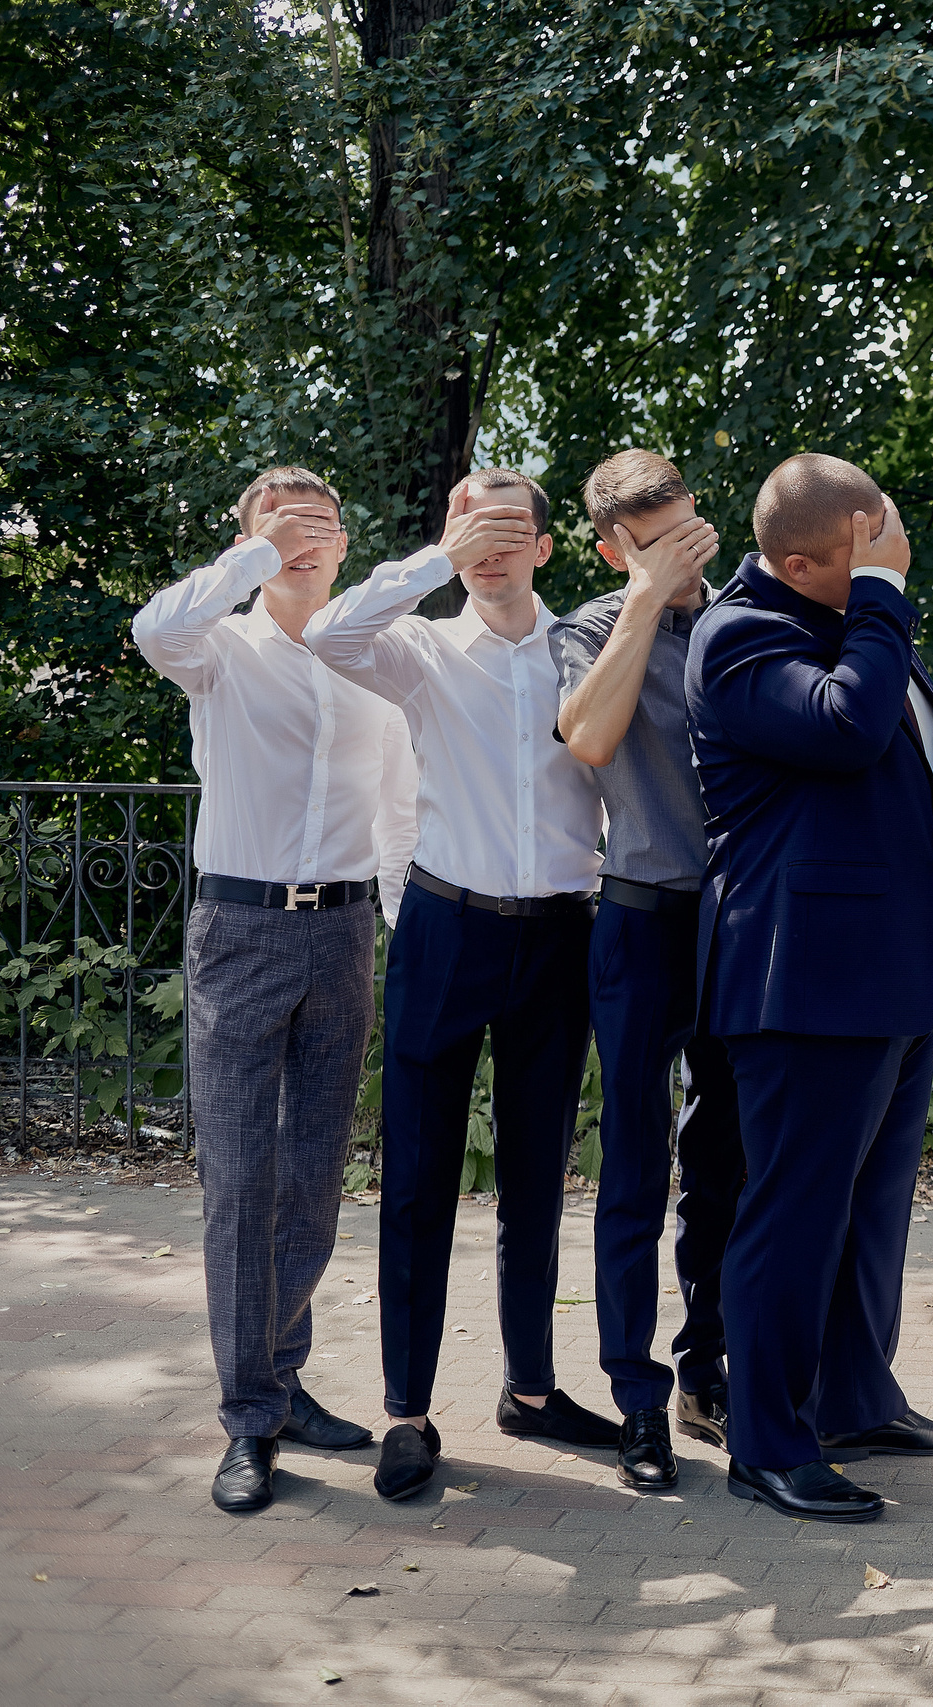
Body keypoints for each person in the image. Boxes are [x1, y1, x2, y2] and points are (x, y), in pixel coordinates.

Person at [308, 469, 617, 1501]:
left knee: (536, 1174)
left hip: (563, 933)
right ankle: (407, 1408)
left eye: (507, 531)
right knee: (420, 1179)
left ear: (543, 546)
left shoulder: (582, 650)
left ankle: (530, 1388)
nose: (489, 548)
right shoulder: (422, 648)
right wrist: (436, 559)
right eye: (468, 531)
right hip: (449, 926)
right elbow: (333, 633)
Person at [688, 452, 933, 1526]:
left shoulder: (851, 620)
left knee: (870, 1211)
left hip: (891, 963)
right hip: (798, 975)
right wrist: (885, 600)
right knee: (794, 1212)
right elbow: (851, 732)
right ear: (811, 557)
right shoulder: (741, 636)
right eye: (878, 538)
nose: (896, 549)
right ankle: (766, 1441)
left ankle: (857, 1399)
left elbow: (920, 780)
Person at [132, 467, 417, 1515]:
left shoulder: (366, 658)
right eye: (285, 522)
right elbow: (154, 627)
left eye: (324, 523)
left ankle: (284, 1380)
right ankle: (247, 1418)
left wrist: (400, 929)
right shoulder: (218, 648)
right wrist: (258, 552)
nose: (308, 538)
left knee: (310, 1177)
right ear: (248, 537)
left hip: (343, 933)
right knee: (241, 1182)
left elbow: (395, 811)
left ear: (347, 543)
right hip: (241, 930)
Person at [550, 450, 744, 1490]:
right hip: (639, 915)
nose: (683, 546)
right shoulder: (587, 627)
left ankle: (704, 1371)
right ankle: (635, 1404)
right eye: (654, 536)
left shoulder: (749, 612)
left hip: (743, 922)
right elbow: (586, 736)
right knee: (632, 1165)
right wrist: (641, 600)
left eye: (687, 525)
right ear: (613, 546)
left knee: (728, 1164)